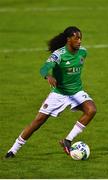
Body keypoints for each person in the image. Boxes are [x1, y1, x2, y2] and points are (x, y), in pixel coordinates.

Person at [5, 26, 96, 158]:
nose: (79, 41)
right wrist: (48, 76)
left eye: (81, 38)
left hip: (76, 92)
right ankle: (13, 150)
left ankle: (68, 140)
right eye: (76, 38)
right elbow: (43, 69)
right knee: (38, 121)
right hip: (58, 94)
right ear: (68, 39)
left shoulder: (83, 52)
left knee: (91, 110)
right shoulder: (58, 55)